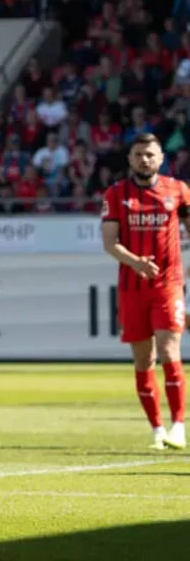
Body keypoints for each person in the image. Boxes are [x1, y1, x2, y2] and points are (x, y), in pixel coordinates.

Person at [101, 133, 186, 450]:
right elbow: (110, 242)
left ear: (161, 157)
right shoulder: (116, 194)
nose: (144, 160)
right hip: (132, 287)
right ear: (130, 159)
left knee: (168, 352)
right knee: (144, 359)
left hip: (168, 285)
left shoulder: (177, 191)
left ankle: (179, 424)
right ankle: (156, 429)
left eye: (150, 154)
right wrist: (136, 262)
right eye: (138, 154)